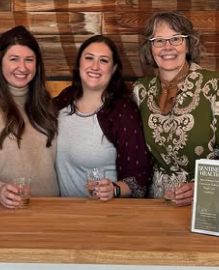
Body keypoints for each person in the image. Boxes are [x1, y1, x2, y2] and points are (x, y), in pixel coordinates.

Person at [133, 11, 219, 205]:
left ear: (188, 43)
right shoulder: (140, 90)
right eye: (159, 40)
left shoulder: (217, 85)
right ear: (150, 47)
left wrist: (203, 185)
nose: (168, 47)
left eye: (176, 39)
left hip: (208, 200)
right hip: (158, 201)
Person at [0, 26, 59, 208]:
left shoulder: (46, 104)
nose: (22, 67)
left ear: (37, 64)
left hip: (51, 210)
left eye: (29, 59)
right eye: (14, 59)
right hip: (9, 211)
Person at [54, 35, 151, 200]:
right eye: (89, 58)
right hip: (62, 211)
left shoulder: (123, 111)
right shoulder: (64, 99)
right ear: (79, 63)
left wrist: (114, 190)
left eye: (103, 60)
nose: (95, 66)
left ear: (113, 69)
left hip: (104, 211)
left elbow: (140, 176)